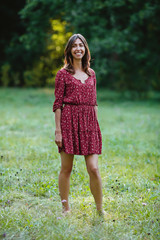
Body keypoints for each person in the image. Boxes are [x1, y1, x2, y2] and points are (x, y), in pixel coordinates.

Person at [53, 33, 103, 215]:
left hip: (89, 124)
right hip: (69, 122)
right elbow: (58, 104)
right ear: (69, 50)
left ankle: (100, 210)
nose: (78, 48)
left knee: (94, 168)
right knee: (66, 169)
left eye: (81, 45)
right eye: (74, 46)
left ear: (85, 49)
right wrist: (58, 131)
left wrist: (96, 127)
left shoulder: (92, 74)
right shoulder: (62, 74)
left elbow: (94, 102)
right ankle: (65, 209)